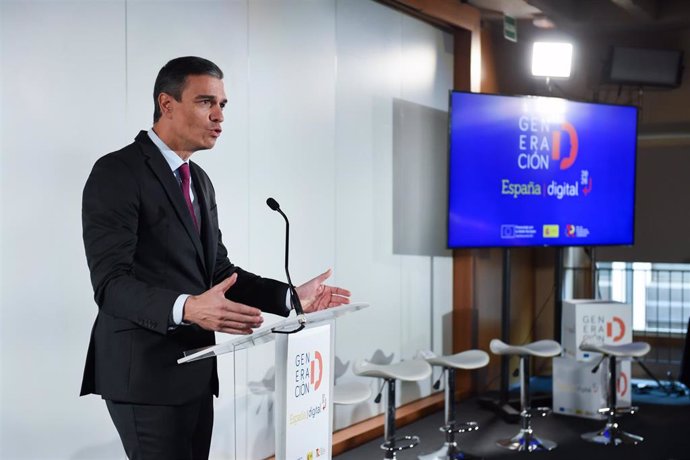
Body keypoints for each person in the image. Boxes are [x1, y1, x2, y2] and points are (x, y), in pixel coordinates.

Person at [80, 56, 350, 460]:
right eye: (207, 102)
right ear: (167, 104)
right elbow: (111, 285)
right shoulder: (118, 172)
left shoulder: (198, 180)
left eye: (223, 105)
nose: (219, 116)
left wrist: (291, 298)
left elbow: (219, 271)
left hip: (195, 369)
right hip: (144, 376)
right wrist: (188, 307)